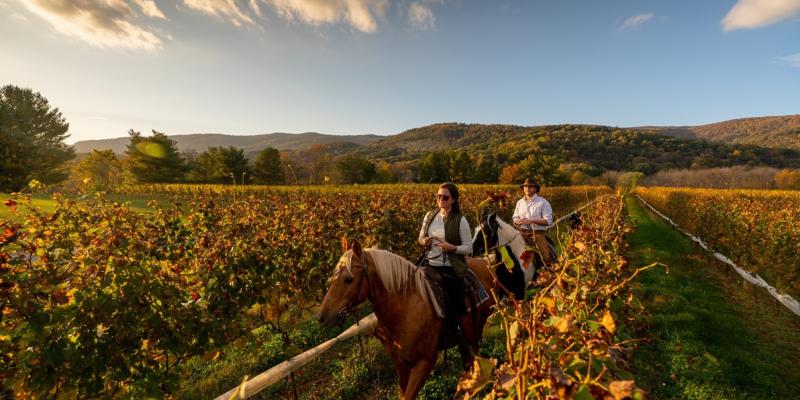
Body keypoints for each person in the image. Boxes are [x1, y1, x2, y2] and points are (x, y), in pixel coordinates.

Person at [418, 182, 473, 318]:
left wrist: (452, 248)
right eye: (438, 196)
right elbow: (420, 238)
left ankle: (458, 330)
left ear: (453, 200)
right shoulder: (429, 216)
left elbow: (469, 247)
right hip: (429, 264)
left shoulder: (461, 220)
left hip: (450, 267)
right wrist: (424, 241)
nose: (441, 199)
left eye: (445, 197)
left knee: (456, 306)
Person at [512, 178, 556, 266]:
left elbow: (548, 221)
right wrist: (518, 221)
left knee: (545, 257)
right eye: (526, 186)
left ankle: (548, 270)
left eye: (530, 187)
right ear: (523, 189)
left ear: (535, 189)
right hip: (521, 232)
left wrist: (532, 221)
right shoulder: (520, 203)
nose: (527, 188)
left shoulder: (543, 202)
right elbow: (515, 217)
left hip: (537, 234)